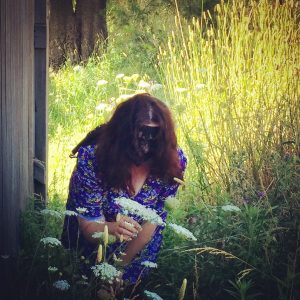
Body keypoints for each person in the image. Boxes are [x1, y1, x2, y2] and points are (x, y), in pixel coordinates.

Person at [61, 93, 187, 285]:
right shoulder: (93, 158)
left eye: (154, 139)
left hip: (138, 246)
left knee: (126, 289)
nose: (146, 147)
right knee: (83, 286)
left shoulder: (172, 162)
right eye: (140, 139)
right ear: (122, 138)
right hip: (91, 241)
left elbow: (153, 220)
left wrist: (119, 267)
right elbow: (88, 225)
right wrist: (112, 228)